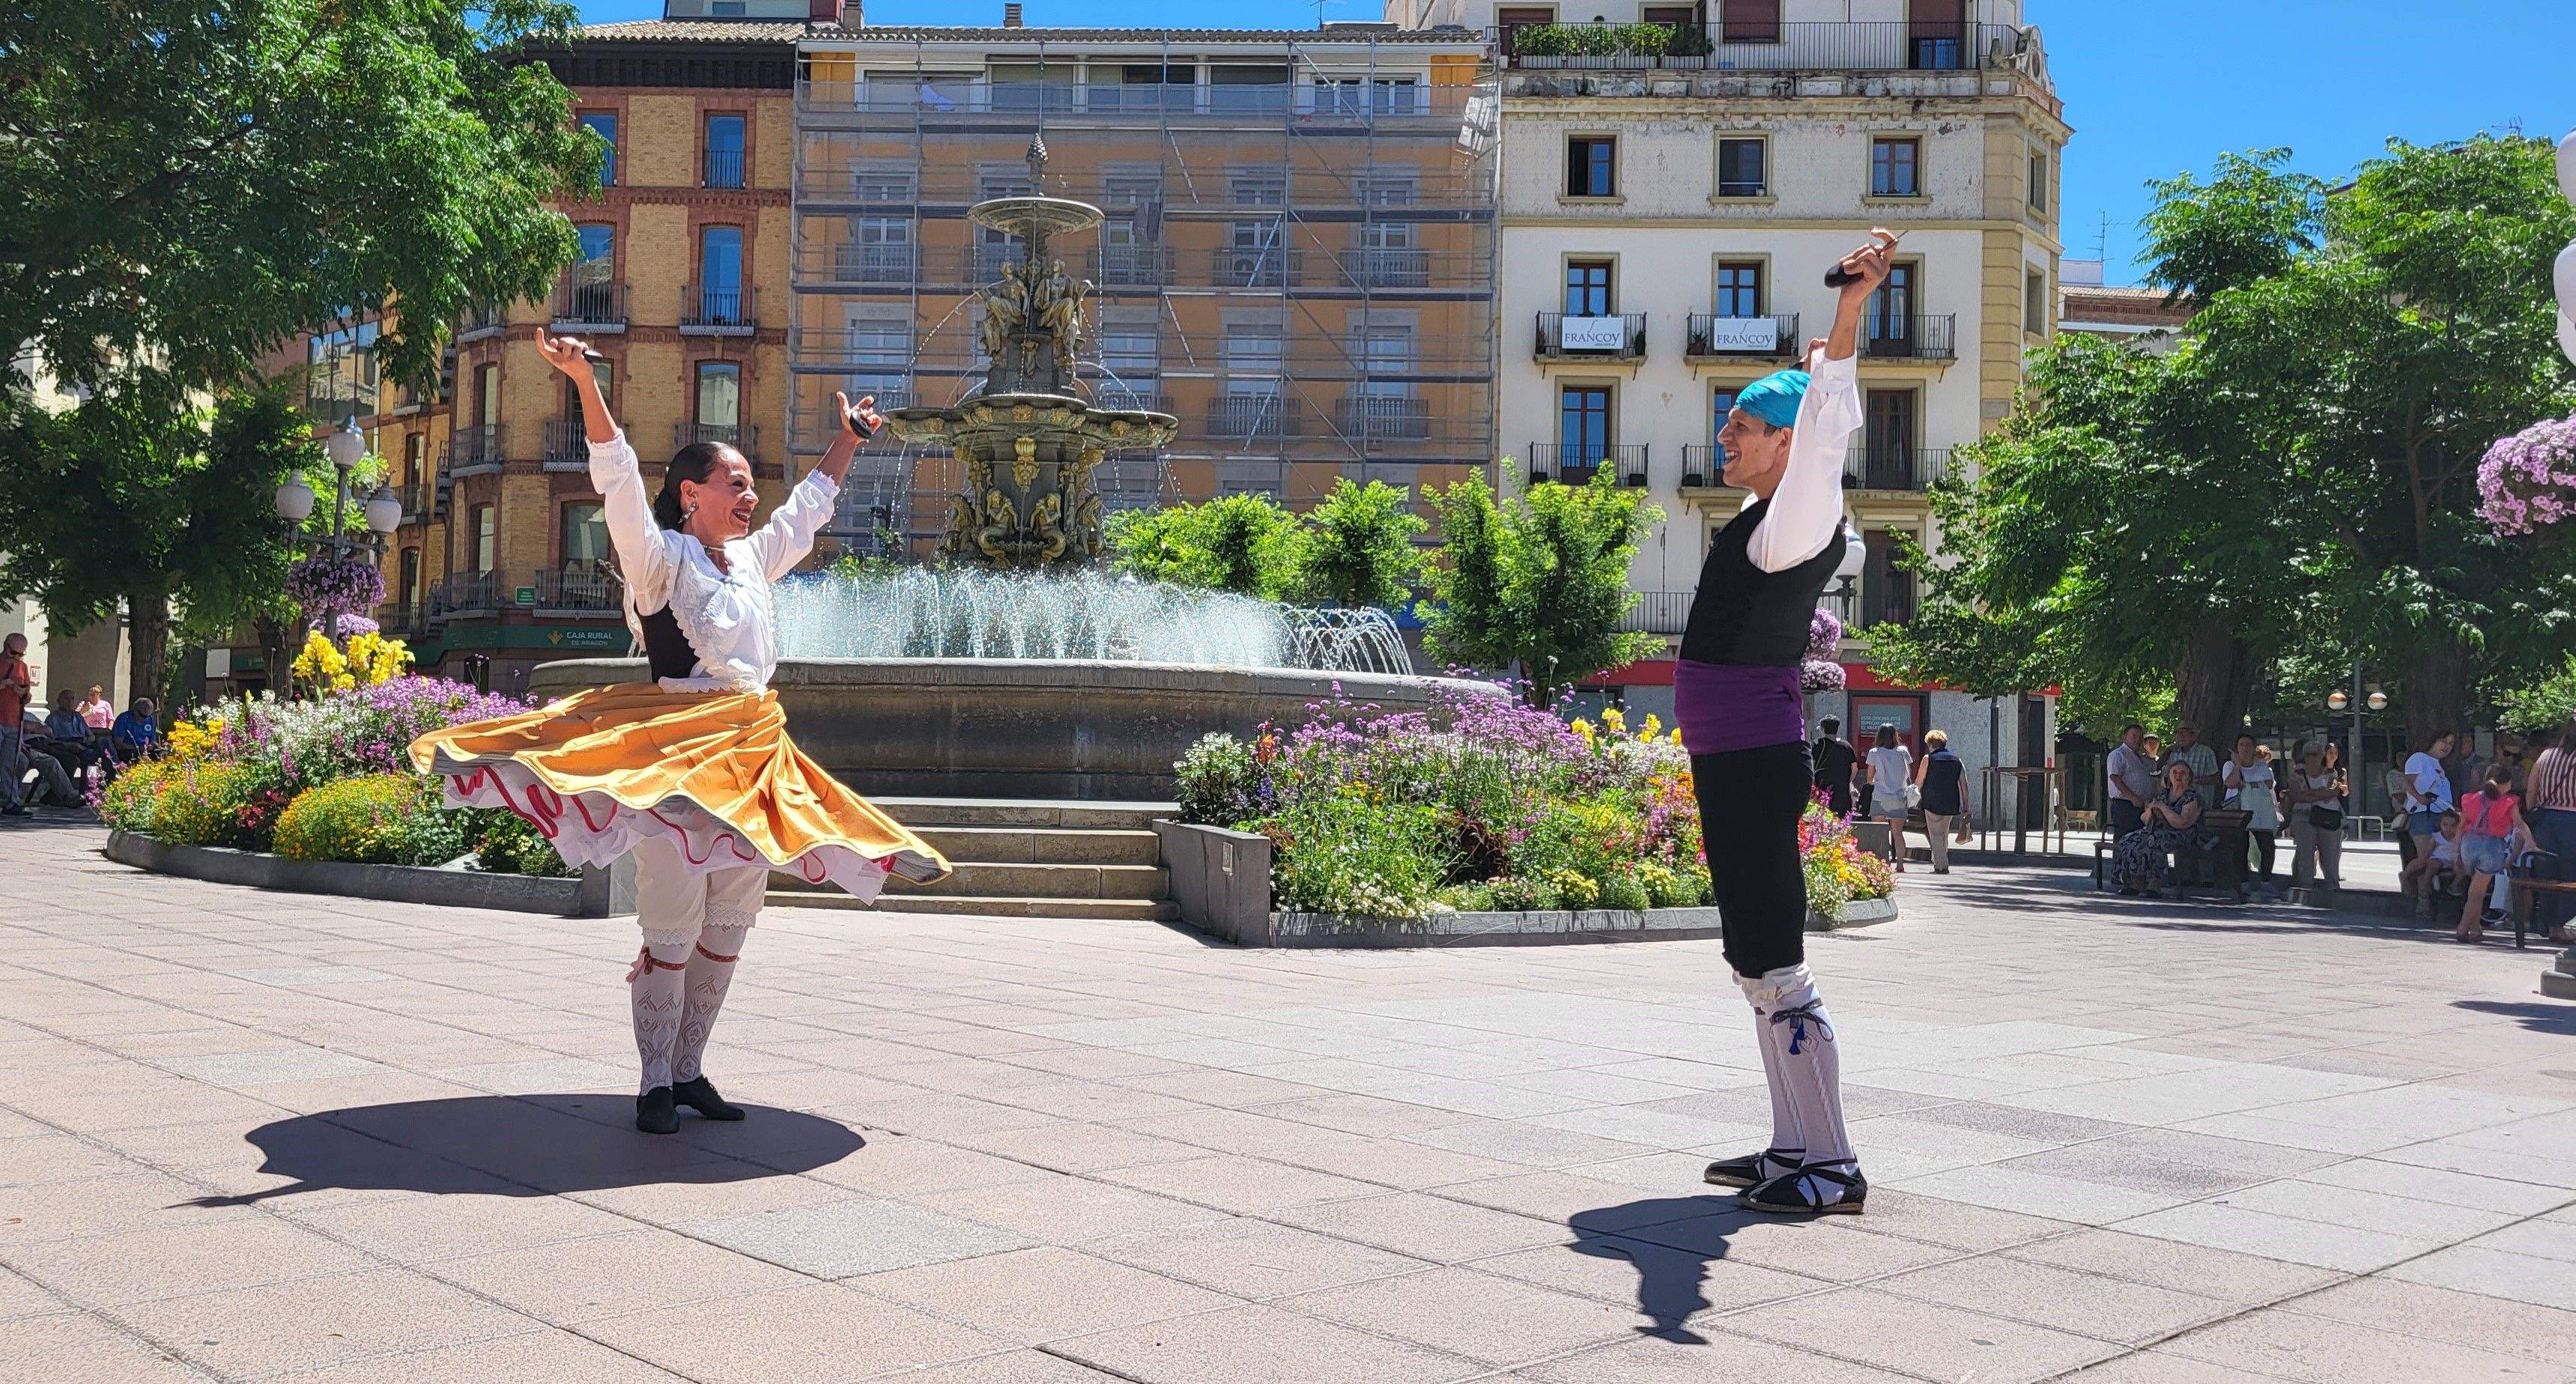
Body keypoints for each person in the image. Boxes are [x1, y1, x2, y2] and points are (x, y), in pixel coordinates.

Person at [409, 329, 951, 1137]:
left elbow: (807, 509)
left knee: (729, 929)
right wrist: (584, 385)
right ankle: (654, 1081)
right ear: (690, 493)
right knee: (671, 930)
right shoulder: (659, 560)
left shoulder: (754, 559)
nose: (748, 495)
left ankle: (692, 1069)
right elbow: (618, 482)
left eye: (747, 484)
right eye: (732, 483)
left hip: (757, 757)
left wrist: (845, 442)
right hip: (676, 757)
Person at [1679, 231, 1895, 1216]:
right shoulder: (1769, 520)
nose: (1724, 442)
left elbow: (1827, 431)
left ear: (1781, 444)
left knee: (1777, 970)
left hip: (1751, 765)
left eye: (1739, 430)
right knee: (1755, 971)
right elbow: (1820, 406)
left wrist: (1848, 317)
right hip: (1736, 763)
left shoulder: (1794, 518)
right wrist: (1825, 342)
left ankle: (1830, 1164)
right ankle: (1790, 1147)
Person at [2455, 765, 2534, 944]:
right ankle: (2463, 927)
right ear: (2506, 784)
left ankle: (2475, 930)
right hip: (2491, 845)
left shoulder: (2469, 798)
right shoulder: (2509, 802)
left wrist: (2456, 851)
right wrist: (2531, 842)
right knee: (2477, 891)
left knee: (2476, 888)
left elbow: (2461, 825)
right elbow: (2519, 824)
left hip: (2468, 844)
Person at [2111, 761, 2216, 896]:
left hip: (2185, 835)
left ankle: (2154, 885)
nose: (2178, 776)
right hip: (2159, 831)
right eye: (2175, 773)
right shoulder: (2163, 795)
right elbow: (2144, 818)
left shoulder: (2192, 798)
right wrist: (2153, 810)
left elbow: (2182, 823)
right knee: (2129, 839)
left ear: (2189, 777)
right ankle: (2135, 883)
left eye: (2183, 773)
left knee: (2155, 840)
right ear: (2169, 777)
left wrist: (2162, 808)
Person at [2524, 720, 2576, 937]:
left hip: (2544, 821)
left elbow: (2531, 794)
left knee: (2547, 876)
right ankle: (2564, 927)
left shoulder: (2545, 757)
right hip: (2572, 820)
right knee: (2570, 876)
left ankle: (2548, 925)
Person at [2222, 733, 2280, 889]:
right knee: (2241, 846)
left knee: (2267, 844)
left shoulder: (2261, 765)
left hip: (2261, 811)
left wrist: (2246, 781)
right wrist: (2238, 765)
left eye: (2248, 745)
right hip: (2240, 810)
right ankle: (2243, 882)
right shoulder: (2229, 766)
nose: (2245, 748)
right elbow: (2231, 783)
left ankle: (2266, 879)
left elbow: (2268, 783)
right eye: (2241, 745)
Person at [2286, 741, 2345, 893]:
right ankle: (2305, 887)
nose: (2312, 758)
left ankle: (2332, 886)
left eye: (2316, 754)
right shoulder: (2296, 775)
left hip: (2328, 818)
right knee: (2305, 853)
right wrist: (2321, 793)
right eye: (2308, 754)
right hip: (2303, 818)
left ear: (2322, 756)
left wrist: (2310, 794)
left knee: (2330, 854)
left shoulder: (2331, 773)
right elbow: (2297, 796)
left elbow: (2333, 792)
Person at [2404, 732, 2458, 872]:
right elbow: (2408, 783)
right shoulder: (2419, 758)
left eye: (2451, 743)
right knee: (2425, 860)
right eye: (2444, 741)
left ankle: (2424, 889)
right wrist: (2420, 797)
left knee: (2435, 860)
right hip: (2423, 815)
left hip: (2440, 818)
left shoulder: (2439, 767)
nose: (2447, 746)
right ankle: (2409, 881)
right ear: (2433, 741)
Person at [1914, 728, 1965, 873]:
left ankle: (1941, 865)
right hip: (1951, 802)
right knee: (1944, 832)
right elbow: (1964, 784)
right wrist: (1966, 804)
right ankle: (1939, 859)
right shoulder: (1956, 760)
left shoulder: (1928, 759)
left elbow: (1920, 780)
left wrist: (1914, 794)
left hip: (1932, 801)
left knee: (1935, 834)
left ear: (1930, 744)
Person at [2401, 810, 2467, 917]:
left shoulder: (2460, 837)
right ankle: (2426, 883)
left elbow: (2462, 851)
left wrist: (2460, 859)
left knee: (2461, 869)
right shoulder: (2436, 837)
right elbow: (2426, 854)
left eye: (2453, 825)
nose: (2448, 829)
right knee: (2432, 864)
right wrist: (2425, 859)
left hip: (2454, 859)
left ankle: (2454, 885)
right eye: (2445, 825)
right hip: (2439, 858)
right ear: (2440, 825)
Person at [1866, 724, 1913, 872]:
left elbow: (1869, 778)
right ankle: (1900, 864)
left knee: (1879, 833)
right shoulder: (1903, 751)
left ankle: (1883, 864)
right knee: (1898, 833)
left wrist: (1876, 782)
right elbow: (1908, 774)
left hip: (1880, 796)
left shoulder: (1874, 752)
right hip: (1899, 796)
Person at [2105, 723, 2154, 846]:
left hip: (2140, 805)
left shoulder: (2140, 758)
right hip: (2125, 804)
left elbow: (2155, 767)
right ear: (2125, 737)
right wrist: (2133, 798)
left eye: (2140, 737)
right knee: (2124, 839)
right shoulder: (2118, 754)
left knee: (2138, 840)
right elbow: (2114, 777)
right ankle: (2119, 864)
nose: (2137, 739)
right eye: (2134, 736)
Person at [0, 633, 30, 818]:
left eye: (21, 654)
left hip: (14, 722)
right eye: (14, 653)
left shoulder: (23, 667)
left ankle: (11, 802)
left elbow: (27, 695)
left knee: (11, 764)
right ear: (5, 646)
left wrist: (22, 694)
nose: (17, 657)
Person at [41, 691, 100, 786]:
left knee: (95, 755)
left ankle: (88, 791)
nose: (70, 702)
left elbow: (91, 735)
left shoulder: (78, 717)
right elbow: (49, 741)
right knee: (73, 760)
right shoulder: (52, 718)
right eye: (66, 699)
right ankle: (63, 792)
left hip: (81, 746)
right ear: (59, 701)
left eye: (72, 699)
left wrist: (87, 740)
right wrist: (69, 745)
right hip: (62, 747)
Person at [1810, 715, 1858, 817]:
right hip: (1842, 793)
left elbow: (1811, 767)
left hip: (1822, 791)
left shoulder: (1817, 745)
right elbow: (1854, 769)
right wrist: (1847, 782)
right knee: (1842, 825)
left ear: (1823, 729)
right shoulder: (1847, 746)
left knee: (1822, 823)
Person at [2168, 724, 2220, 809]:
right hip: (2177, 806)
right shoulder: (2174, 754)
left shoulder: (2206, 752)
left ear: (2194, 736)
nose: (2180, 736)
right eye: (2178, 733)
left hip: (2200, 805)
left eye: (2184, 733)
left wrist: (2193, 780)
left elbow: (2216, 778)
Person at [110, 697, 162, 763]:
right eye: (143, 716)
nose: (145, 718)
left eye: (147, 716)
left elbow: (153, 739)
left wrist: (152, 745)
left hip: (145, 750)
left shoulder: (150, 719)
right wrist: (137, 747)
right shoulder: (124, 718)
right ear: (135, 711)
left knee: (159, 752)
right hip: (129, 750)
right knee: (135, 756)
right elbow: (118, 744)